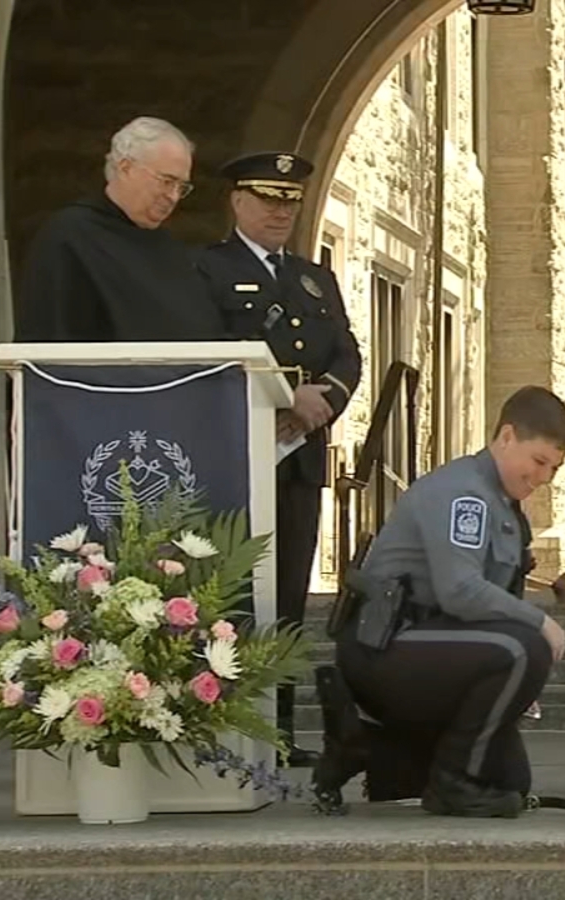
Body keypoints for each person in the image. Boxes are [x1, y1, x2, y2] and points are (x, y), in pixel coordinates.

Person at [333, 386, 565, 817]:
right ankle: (452, 781)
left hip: (433, 643)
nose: (544, 478)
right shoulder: (464, 493)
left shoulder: (503, 504)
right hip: (387, 645)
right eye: (539, 461)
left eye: (554, 468)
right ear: (506, 437)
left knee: (509, 786)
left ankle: (398, 754)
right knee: (524, 649)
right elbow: (460, 591)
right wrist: (540, 622)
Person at [195, 150, 364, 767]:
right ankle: (224, 724)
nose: (280, 211)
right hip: (238, 456)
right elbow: (206, 348)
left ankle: (280, 730)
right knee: (230, 594)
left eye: (290, 201)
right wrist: (284, 394)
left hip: (298, 460)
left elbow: (346, 355)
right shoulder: (208, 270)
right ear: (237, 201)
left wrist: (322, 403)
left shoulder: (315, 279)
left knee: (289, 596)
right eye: (268, 199)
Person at [13, 116, 226, 342]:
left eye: (181, 187)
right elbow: (50, 333)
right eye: (166, 181)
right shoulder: (71, 235)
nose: (173, 196)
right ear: (126, 168)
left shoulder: (168, 248)